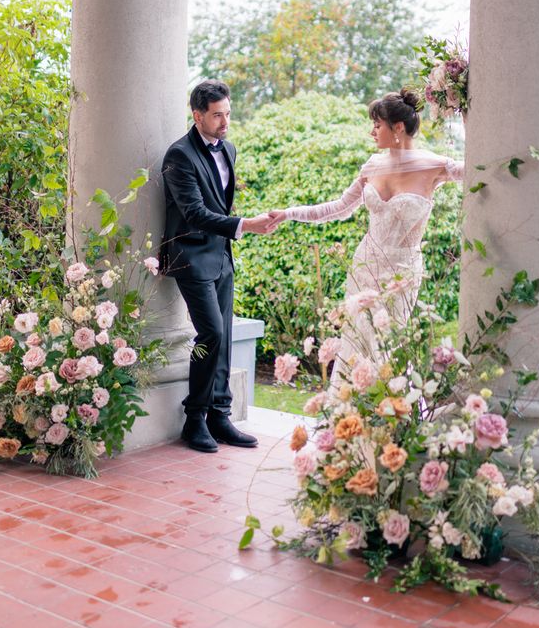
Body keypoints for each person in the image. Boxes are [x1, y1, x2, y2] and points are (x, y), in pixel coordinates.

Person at [269, 88, 464, 381]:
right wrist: (288, 213)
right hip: (364, 267)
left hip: (402, 273)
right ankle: (346, 415)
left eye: (377, 125)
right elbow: (338, 208)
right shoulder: (372, 166)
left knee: (387, 345)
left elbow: (479, 169)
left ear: (398, 128)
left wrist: (462, 100)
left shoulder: (435, 166)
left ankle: (387, 417)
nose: (372, 132)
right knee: (356, 342)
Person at [159, 79, 275, 453]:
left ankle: (219, 415)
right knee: (211, 334)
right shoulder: (179, 156)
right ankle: (194, 419)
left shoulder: (229, 149)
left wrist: (231, 239)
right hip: (190, 256)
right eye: (217, 115)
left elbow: (218, 203)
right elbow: (193, 212)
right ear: (197, 116)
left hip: (221, 256)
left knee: (224, 333)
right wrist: (246, 225)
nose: (225, 122)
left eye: (227, 113)